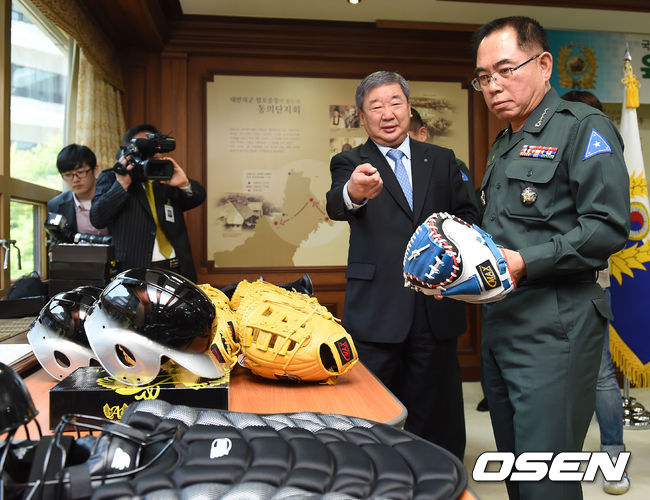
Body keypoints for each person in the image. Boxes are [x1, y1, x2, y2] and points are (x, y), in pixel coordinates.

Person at [472, 17, 630, 499]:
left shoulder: (582, 128)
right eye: (483, 77)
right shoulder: (505, 142)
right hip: (501, 322)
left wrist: (525, 261)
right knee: (517, 475)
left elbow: (607, 226)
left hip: (555, 325)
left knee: (546, 480)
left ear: (543, 65)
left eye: (505, 70)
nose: (493, 86)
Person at [325, 70, 478, 460]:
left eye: (395, 102)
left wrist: (453, 263)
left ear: (409, 108)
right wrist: (354, 192)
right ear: (363, 117)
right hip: (377, 314)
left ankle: (439, 480)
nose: (387, 113)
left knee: (438, 422)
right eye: (376, 106)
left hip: (436, 307)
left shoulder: (442, 160)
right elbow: (337, 202)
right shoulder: (350, 162)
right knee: (370, 422)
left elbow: (468, 216)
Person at [561, 89, 630, 495]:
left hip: (589, 282)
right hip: (550, 283)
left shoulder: (599, 148)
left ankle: (613, 458)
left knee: (601, 375)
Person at [90, 124, 206, 282]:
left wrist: (184, 184)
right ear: (128, 150)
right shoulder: (112, 177)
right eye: (142, 146)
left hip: (176, 267)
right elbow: (97, 218)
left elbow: (197, 197)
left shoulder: (163, 175)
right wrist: (121, 185)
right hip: (135, 270)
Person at [47, 144, 109, 236]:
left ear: (95, 170)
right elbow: (57, 240)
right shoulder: (56, 205)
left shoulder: (113, 195)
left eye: (80, 172)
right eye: (68, 175)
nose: (75, 179)